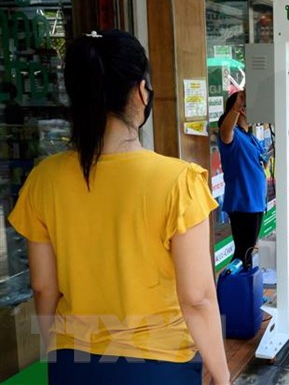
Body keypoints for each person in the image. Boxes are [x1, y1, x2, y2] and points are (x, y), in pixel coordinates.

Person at [8, 30, 230, 385]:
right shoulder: (179, 181)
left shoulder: (44, 179)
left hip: (73, 363)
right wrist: (221, 373)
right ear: (142, 92)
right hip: (158, 366)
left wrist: (55, 347)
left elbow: (42, 286)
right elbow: (197, 297)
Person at [217, 91, 267, 269]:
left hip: (255, 202)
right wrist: (237, 106)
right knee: (243, 252)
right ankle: (236, 291)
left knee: (247, 251)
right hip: (243, 202)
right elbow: (225, 129)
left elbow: (261, 160)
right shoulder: (232, 135)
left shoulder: (250, 136)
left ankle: (244, 291)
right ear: (243, 111)